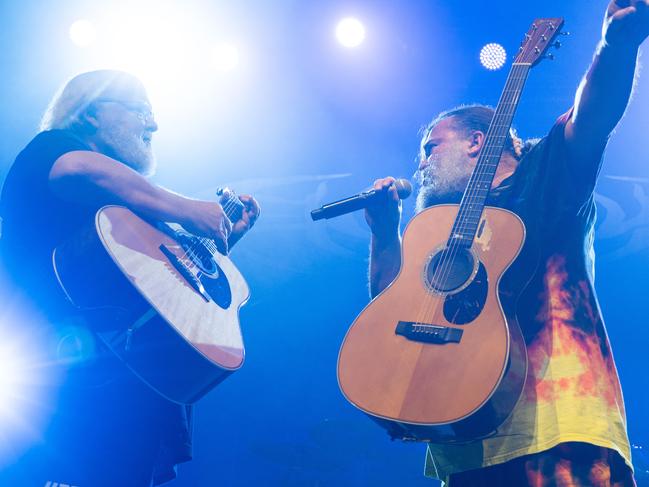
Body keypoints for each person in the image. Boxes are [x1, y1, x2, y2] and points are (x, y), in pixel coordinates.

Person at [364, 1, 648, 485]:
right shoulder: (440, 227)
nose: (421, 164)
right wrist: (385, 232)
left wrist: (614, 46)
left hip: (560, 422)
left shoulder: (548, 169)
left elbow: (592, 116)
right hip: (464, 435)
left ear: (478, 141)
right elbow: (392, 307)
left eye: (430, 147)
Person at [0, 70, 260, 486]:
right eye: (141, 110)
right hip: (62, 394)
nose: (153, 125)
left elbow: (161, 290)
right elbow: (77, 168)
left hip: (126, 401)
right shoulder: (51, 150)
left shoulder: (130, 210)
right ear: (89, 115)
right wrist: (187, 210)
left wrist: (220, 238)